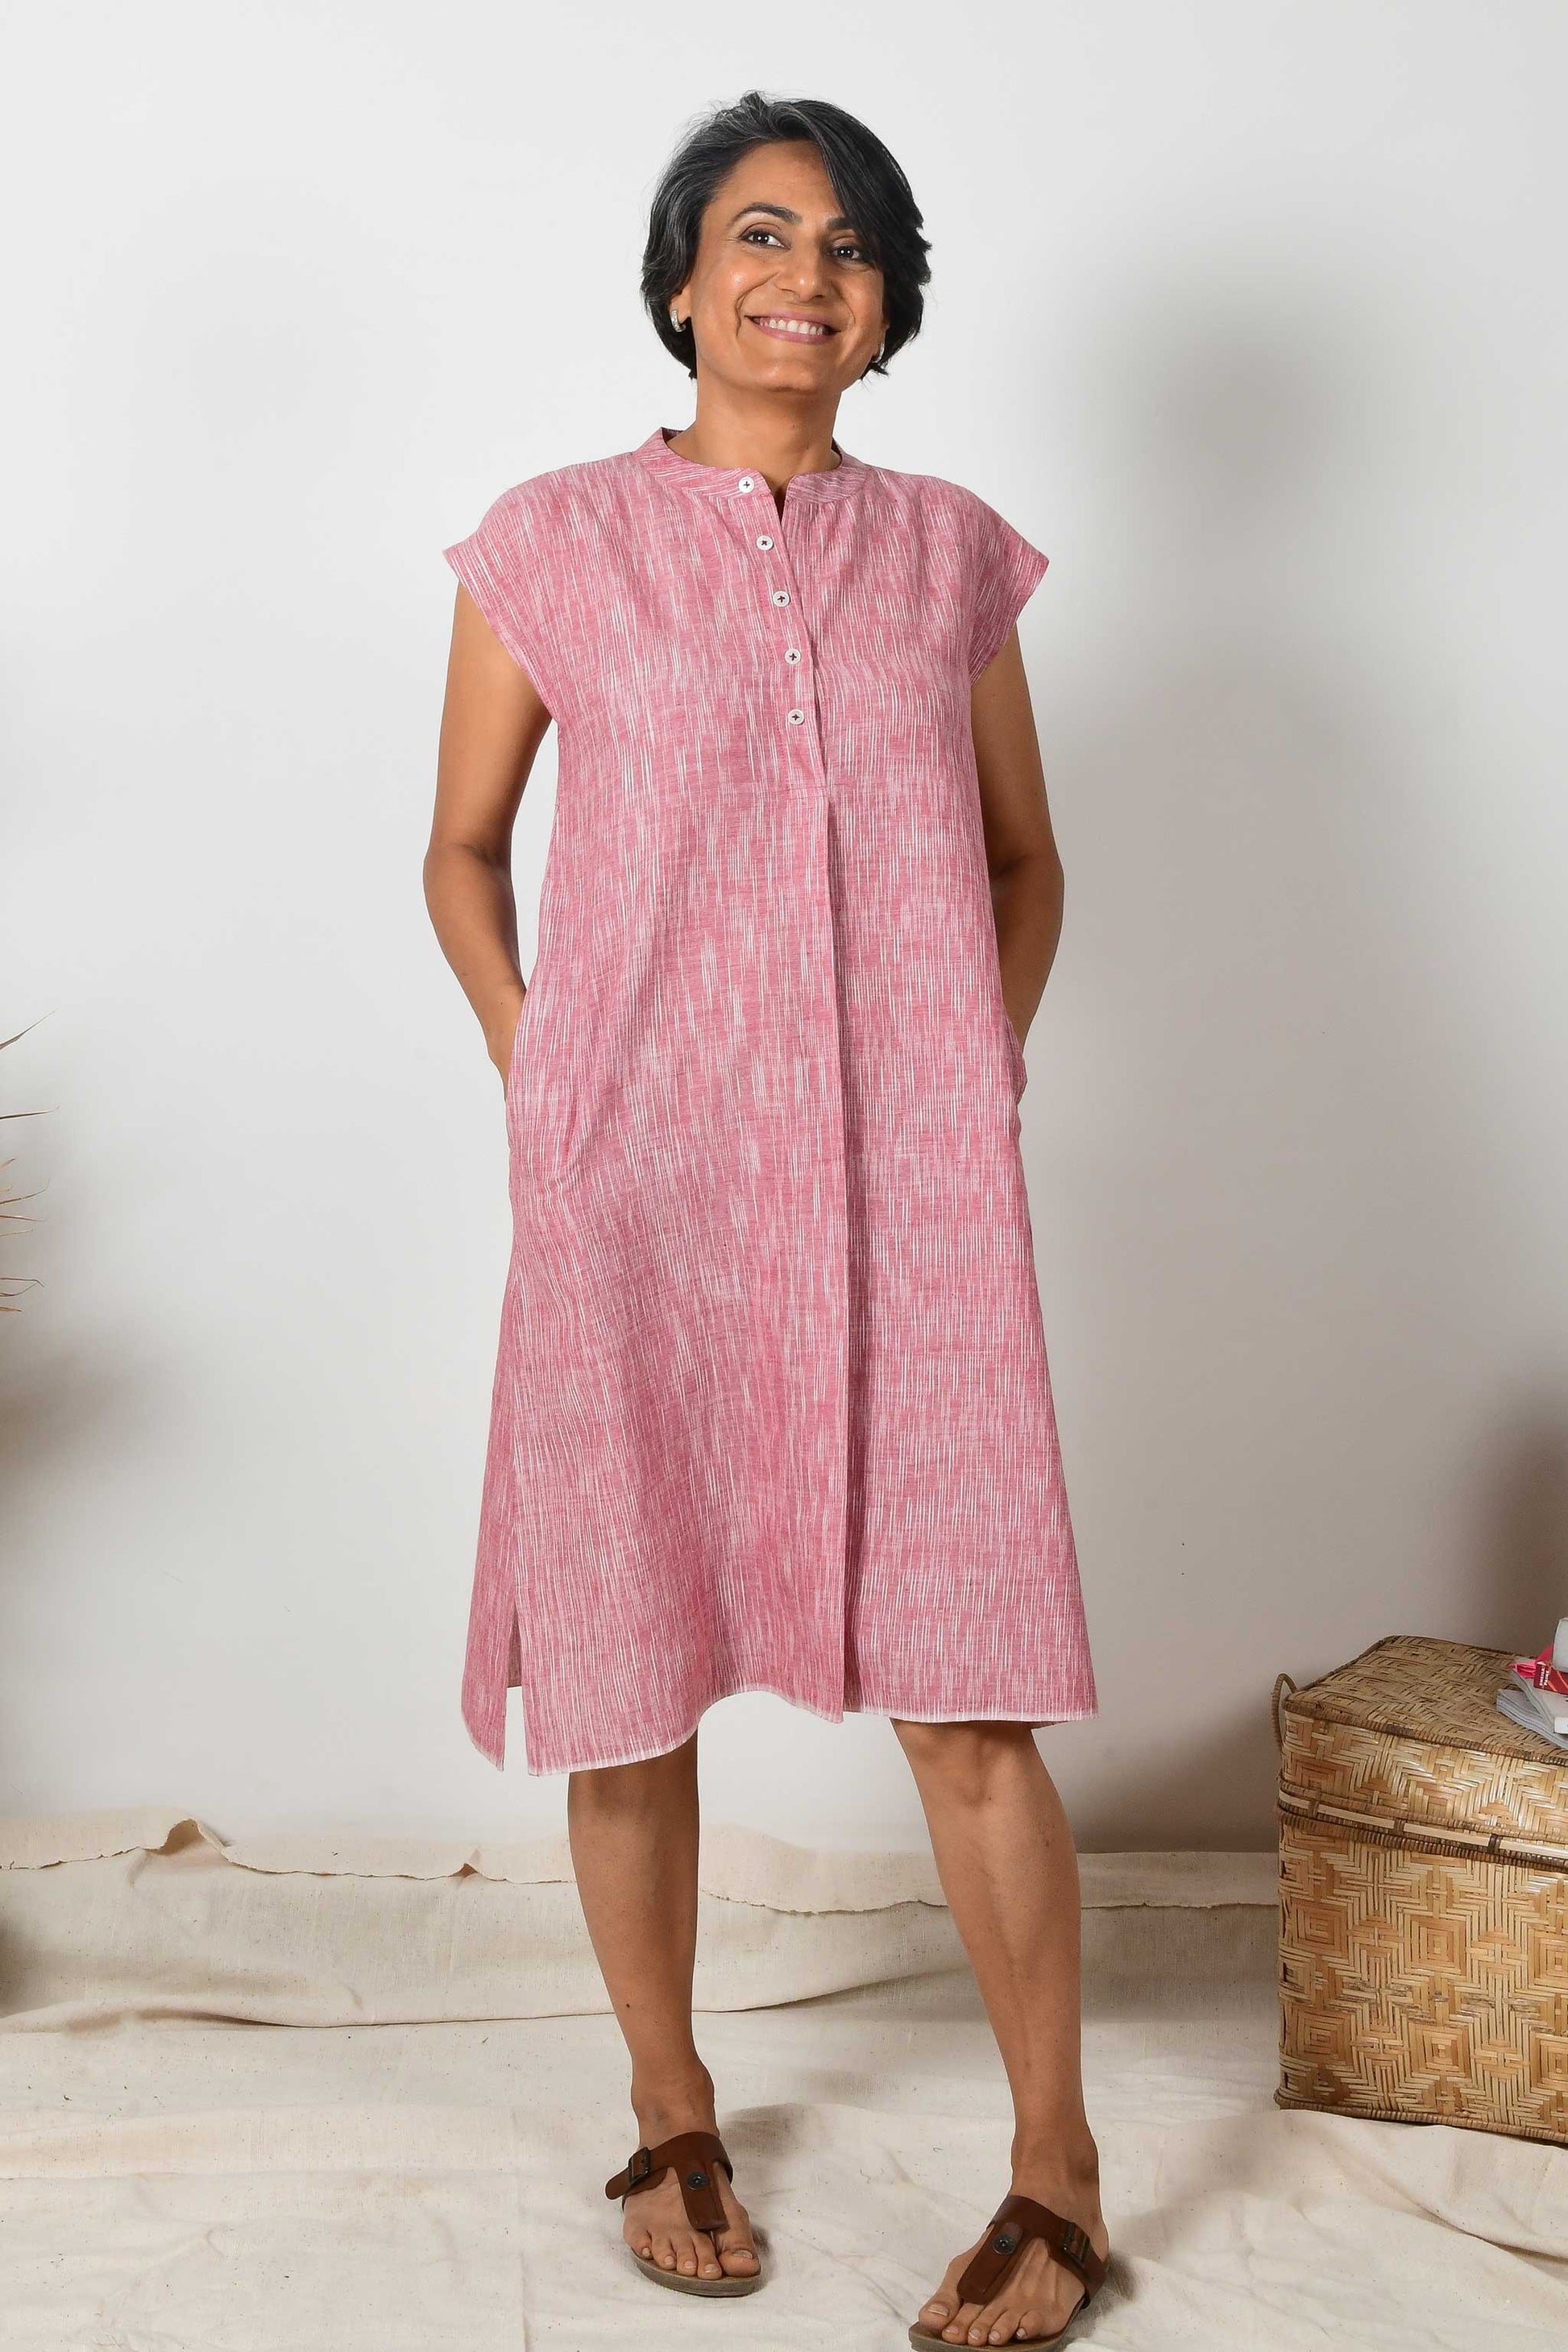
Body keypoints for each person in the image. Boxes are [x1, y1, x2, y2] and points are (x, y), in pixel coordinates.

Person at [425, 88, 1110, 2352]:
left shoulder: (950, 556)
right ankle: (668, 2105)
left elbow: (1023, 860)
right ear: (683, 277)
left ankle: (1055, 2175)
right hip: (638, 1182)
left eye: (847, 244)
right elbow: (460, 847)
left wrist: (967, 1073)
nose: (799, 272)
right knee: (626, 1680)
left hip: (914, 1190)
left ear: (886, 306)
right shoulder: (551, 540)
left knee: (973, 1694)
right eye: (756, 231)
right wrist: (550, 1078)